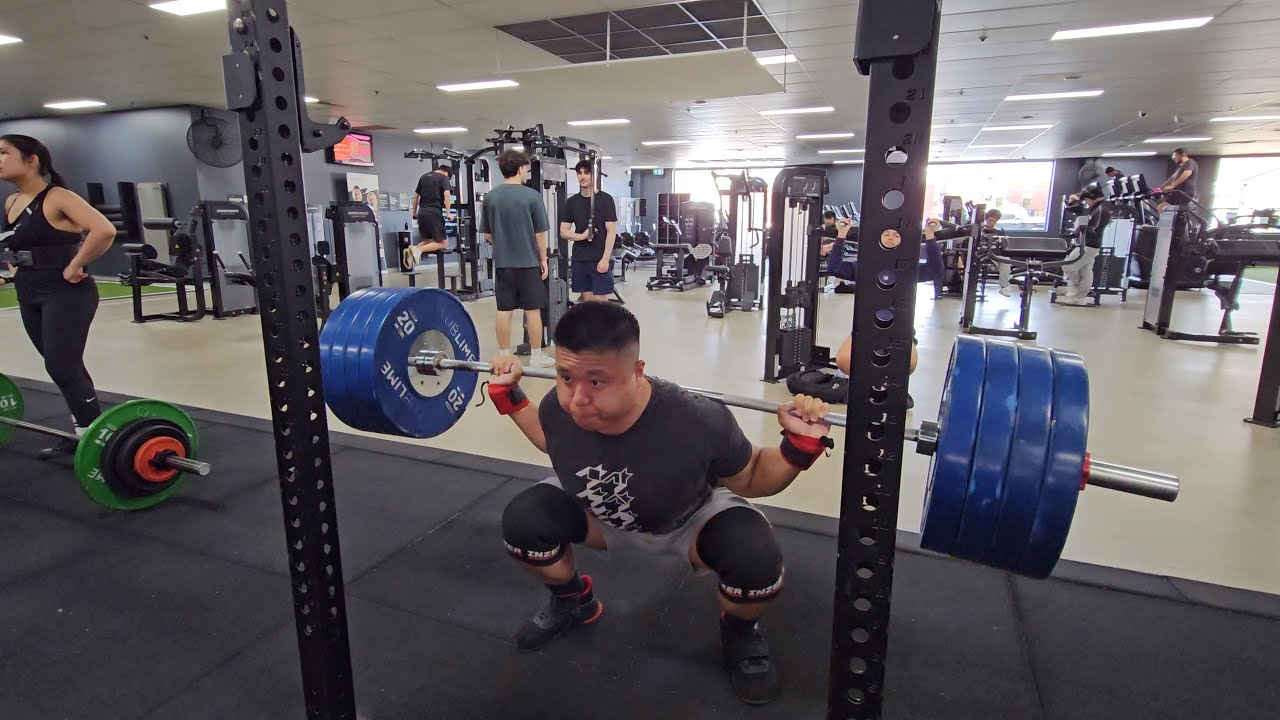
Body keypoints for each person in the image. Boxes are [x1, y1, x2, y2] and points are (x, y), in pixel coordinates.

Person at [490, 301, 833, 705]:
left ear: (637, 372)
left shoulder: (698, 419)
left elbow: (754, 476)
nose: (576, 399)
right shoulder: (557, 407)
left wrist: (799, 446)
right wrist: (511, 400)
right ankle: (573, 602)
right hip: (599, 515)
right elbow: (555, 442)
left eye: (597, 382)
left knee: (755, 558)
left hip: (686, 521)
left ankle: (739, 634)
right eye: (566, 377)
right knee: (523, 521)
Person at [0, 135, 116, 457]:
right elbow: (13, 245)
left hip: (66, 293)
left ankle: (95, 437)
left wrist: (76, 264)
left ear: (32, 160)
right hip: (29, 292)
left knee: (61, 366)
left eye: (3, 153)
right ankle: (86, 429)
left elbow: (104, 230)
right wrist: (7, 272)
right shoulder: (11, 202)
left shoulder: (57, 197)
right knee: (64, 365)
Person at [479, 149, 554, 367]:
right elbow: (540, 234)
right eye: (526, 169)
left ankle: (504, 355)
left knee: (504, 311)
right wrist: (543, 259)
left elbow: (487, 234)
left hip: (503, 264)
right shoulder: (531, 196)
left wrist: (503, 245)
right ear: (520, 169)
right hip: (529, 263)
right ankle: (537, 356)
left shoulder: (491, 197)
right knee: (532, 310)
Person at [560, 160, 618, 302]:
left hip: (599, 258)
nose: (582, 176)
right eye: (579, 173)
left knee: (600, 302)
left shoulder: (606, 200)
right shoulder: (572, 202)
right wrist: (582, 236)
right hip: (580, 258)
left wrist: (605, 259)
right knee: (587, 301)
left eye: (587, 173)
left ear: (595, 175)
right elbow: (563, 231)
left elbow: (611, 232)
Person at [1058, 187, 1111, 306]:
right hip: (1087, 243)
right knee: (1085, 270)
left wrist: (1081, 228)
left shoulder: (1102, 209)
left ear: (1092, 197)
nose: (1086, 202)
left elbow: (1096, 229)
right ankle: (1080, 297)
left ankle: (1077, 288)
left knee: (1068, 266)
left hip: (1090, 244)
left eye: (1087, 199)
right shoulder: (1096, 207)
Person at [406, 164, 453, 267]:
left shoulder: (423, 177)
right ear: (447, 173)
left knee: (429, 241)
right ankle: (418, 250)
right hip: (434, 213)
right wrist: (448, 213)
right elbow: (447, 194)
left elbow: (416, 196)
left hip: (421, 213)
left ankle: (411, 252)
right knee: (443, 243)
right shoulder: (444, 177)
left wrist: (414, 213)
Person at [820, 213, 857, 293]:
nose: (890, 238)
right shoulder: (865, 265)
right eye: (887, 234)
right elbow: (834, 269)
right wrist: (841, 236)